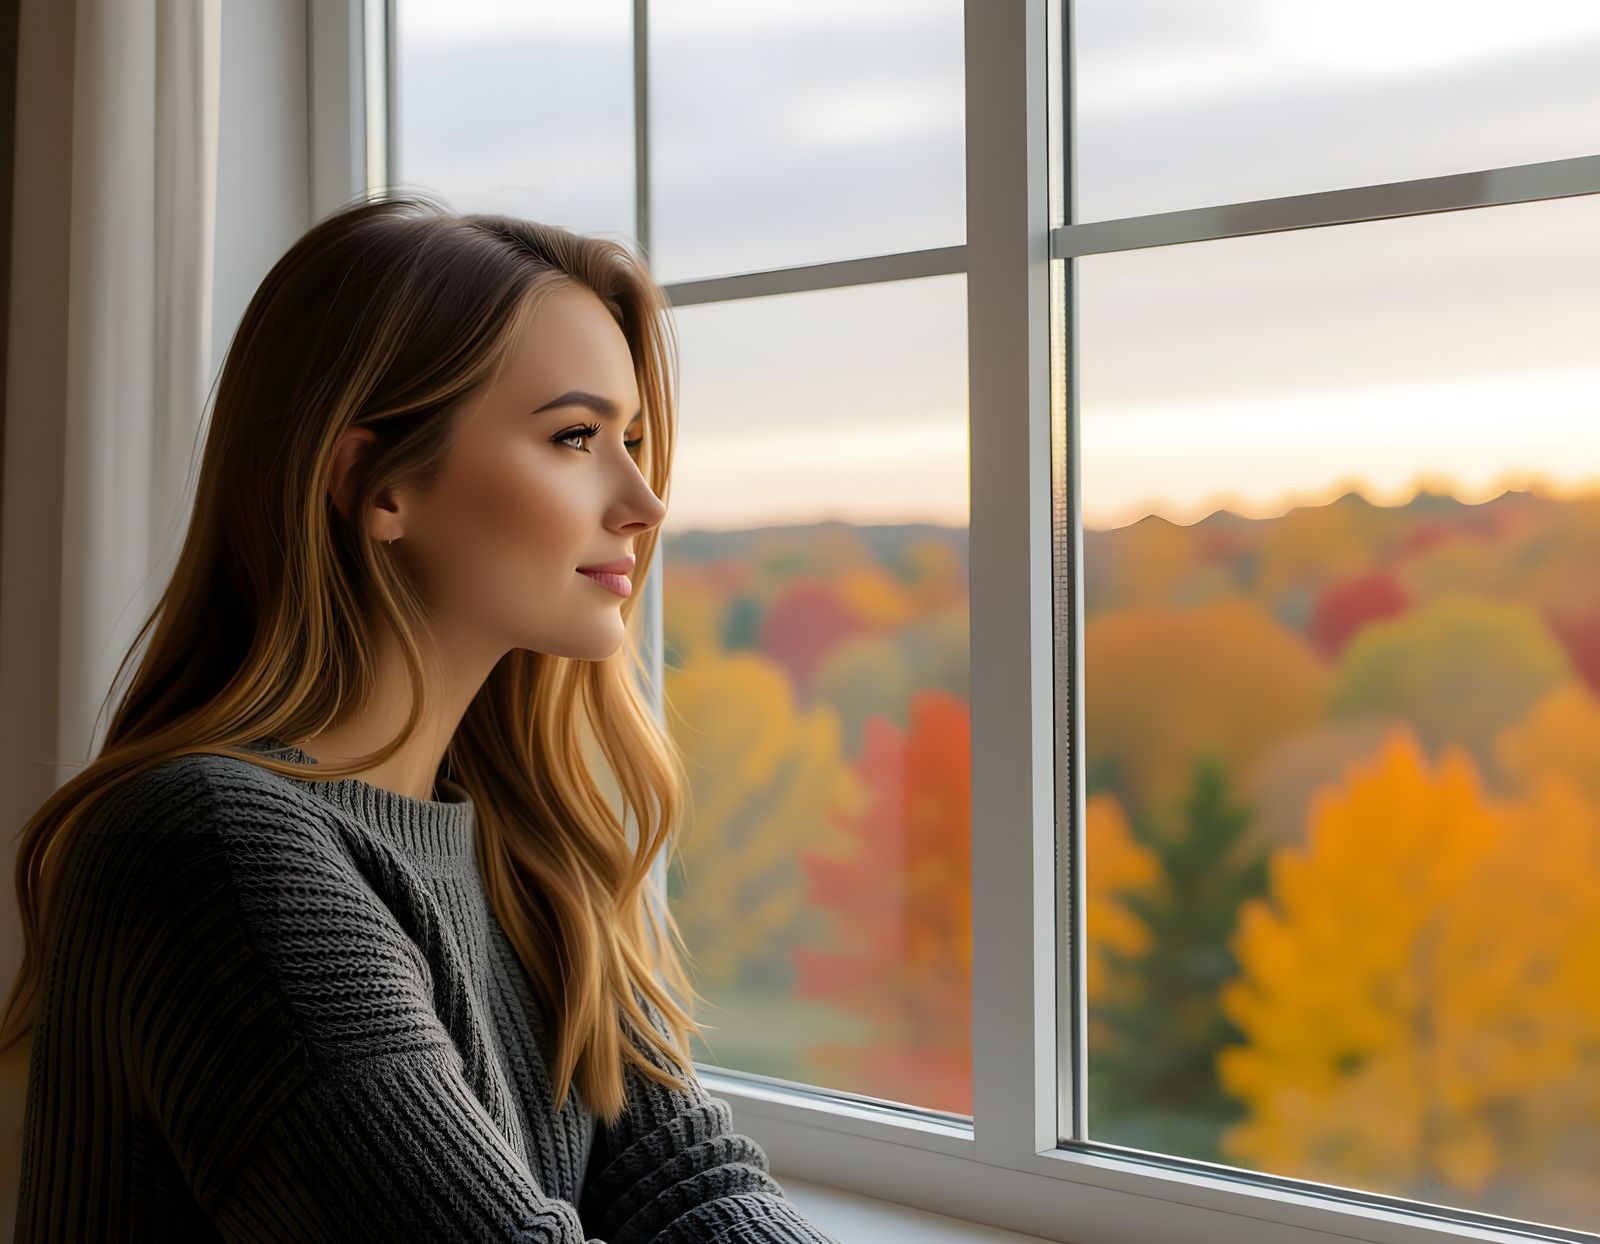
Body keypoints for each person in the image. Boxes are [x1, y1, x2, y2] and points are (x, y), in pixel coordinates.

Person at [4, 192, 842, 1243]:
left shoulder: (527, 853)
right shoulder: (212, 844)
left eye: (631, 437)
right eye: (575, 436)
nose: (644, 498)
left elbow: (696, 1194)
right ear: (375, 483)